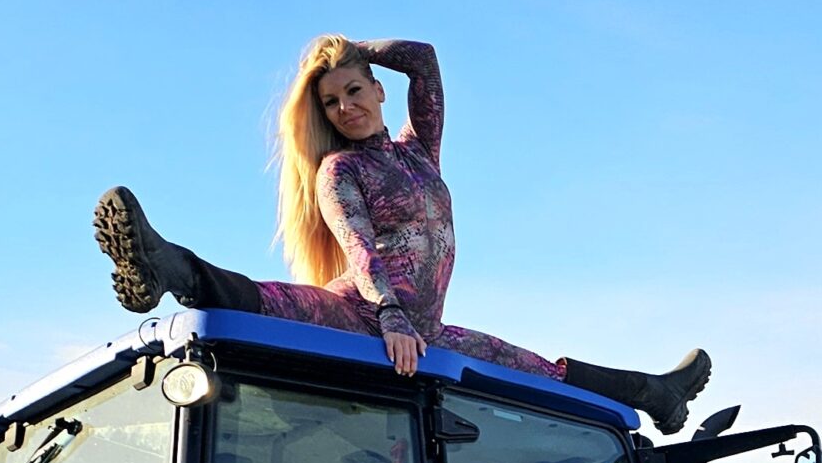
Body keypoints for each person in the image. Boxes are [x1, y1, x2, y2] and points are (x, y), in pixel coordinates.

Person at [95, 35, 713, 434]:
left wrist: (348, 48)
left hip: (429, 330)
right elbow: (359, 247)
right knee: (271, 302)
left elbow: (424, 60)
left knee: (539, 371)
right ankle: (161, 265)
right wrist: (389, 314)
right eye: (331, 102)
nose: (345, 108)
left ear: (378, 89)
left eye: (354, 90)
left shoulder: (421, 153)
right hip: (363, 312)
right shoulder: (339, 171)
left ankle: (656, 394)